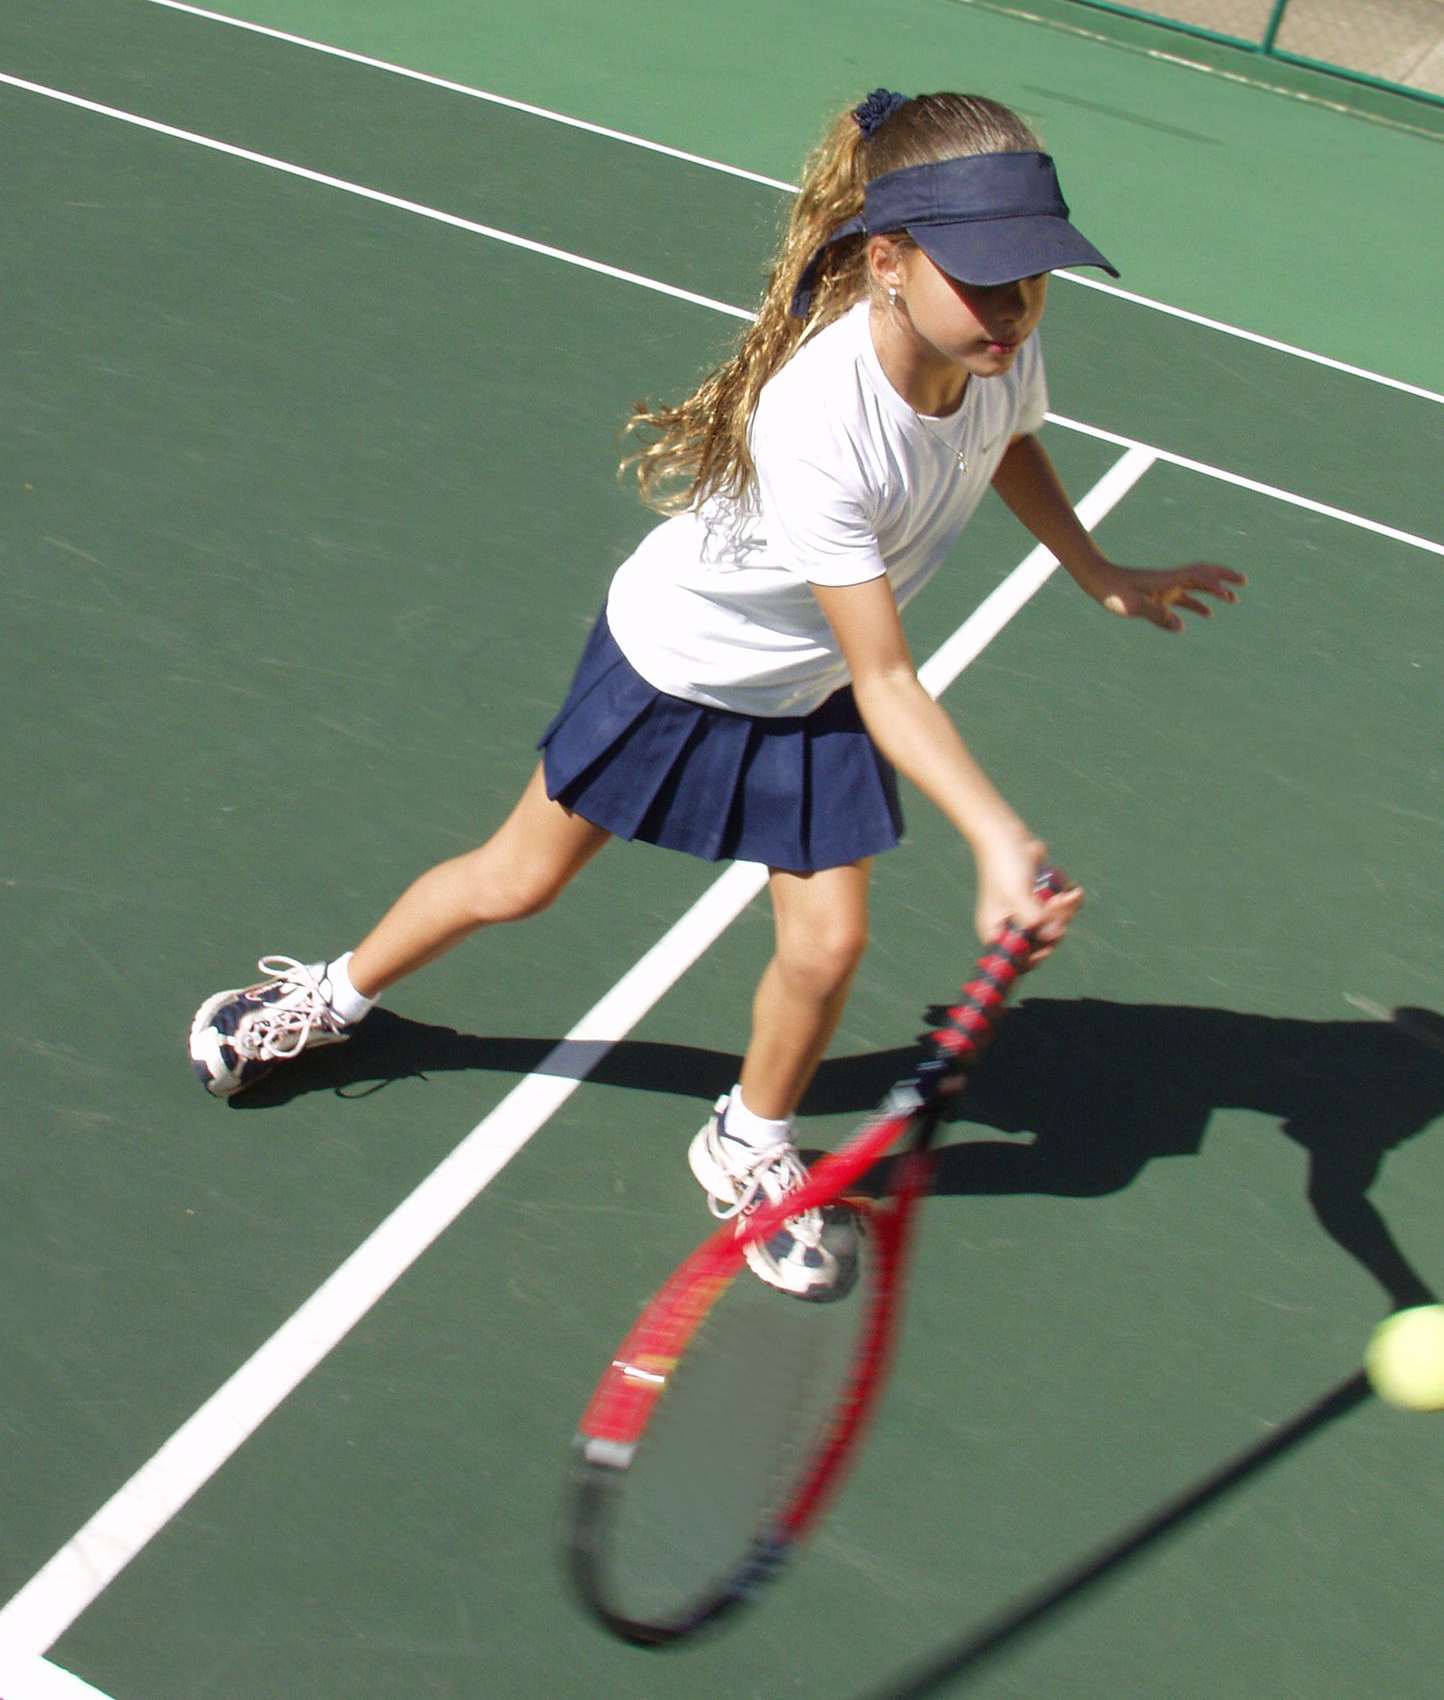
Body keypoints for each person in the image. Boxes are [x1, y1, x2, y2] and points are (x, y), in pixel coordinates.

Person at [188, 87, 1243, 1297]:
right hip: (685, 666)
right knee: (516, 879)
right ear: (888, 260)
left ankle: (746, 1135)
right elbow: (886, 672)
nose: (1013, 306)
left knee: (831, 939)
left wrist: (1095, 564)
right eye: (986, 277)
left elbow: (1002, 439)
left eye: (1033, 277)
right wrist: (998, 841)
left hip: (811, 683)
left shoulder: (991, 342)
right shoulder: (819, 415)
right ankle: (323, 997)